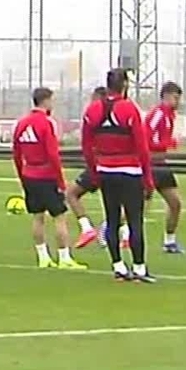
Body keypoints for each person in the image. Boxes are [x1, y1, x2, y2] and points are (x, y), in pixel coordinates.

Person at [87, 68, 154, 282]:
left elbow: (86, 145)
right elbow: (142, 146)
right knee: (135, 221)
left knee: (112, 219)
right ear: (124, 85)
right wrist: (148, 177)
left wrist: (94, 172)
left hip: (105, 170)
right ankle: (139, 268)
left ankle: (118, 266)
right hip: (130, 171)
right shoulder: (129, 109)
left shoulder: (93, 109)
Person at [13, 87, 85, 270]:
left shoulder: (22, 123)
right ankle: (64, 258)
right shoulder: (46, 123)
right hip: (46, 175)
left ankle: (43, 257)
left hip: (30, 174)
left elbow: (16, 153)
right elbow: (53, 154)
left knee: (37, 217)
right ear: (45, 101)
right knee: (59, 216)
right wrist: (60, 181)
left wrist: (22, 176)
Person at [66, 87, 107, 250]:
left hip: (98, 164)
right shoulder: (116, 114)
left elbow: (87, 143)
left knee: (71, 193)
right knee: (116, 202)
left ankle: (88, 228)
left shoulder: (93, 115)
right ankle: (107, 231)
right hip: (115, 164)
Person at [148, 81, 185, 253]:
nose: (178, 102)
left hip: (161, 164)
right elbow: (147, 138)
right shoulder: (158, 114)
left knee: (175, 203)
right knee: (138, 207)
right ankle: (108, 228)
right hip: (149, 164)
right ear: (166, 97)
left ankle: (169, 242)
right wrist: (169, 142)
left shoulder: (170, 115)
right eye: (175, 98)